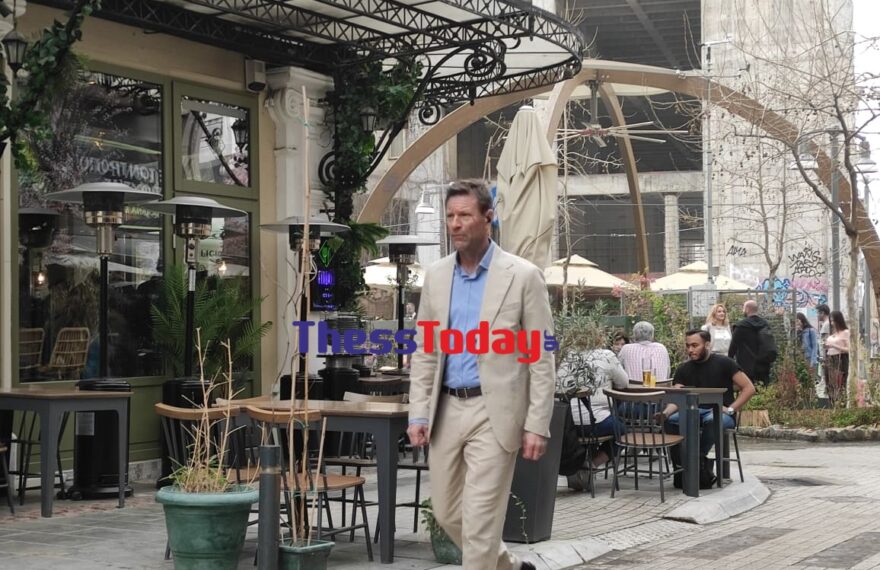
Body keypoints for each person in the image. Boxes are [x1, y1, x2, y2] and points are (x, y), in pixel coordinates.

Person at [407, 179, 554, 570]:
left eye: (464, 215)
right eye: (450, 216)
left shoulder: (523, 276)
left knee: (480, 522)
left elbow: (541, 357)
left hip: (495, 413)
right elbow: (425, 351)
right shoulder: (437, 275)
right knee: (446, 513)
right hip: (445, 410)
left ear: (488, 217)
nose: (455, 224)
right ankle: (510, 567)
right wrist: (418, 413)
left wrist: (537, 424)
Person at [662, 329, 756, 487]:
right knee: (671, 421)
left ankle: (695, 458)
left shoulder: (725, 363)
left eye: (695, 345)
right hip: (691, 411)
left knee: (713, 420)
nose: (690, 349)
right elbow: (677, 398)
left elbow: (749, 388)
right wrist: (664, 414)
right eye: (688, 346)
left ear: (707, 345)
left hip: (720, 413)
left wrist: (731, 409)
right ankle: (686, 464)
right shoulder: (683, 368)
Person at [557, 347, 628, 491]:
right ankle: (592, 463)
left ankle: (581, 464)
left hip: (569, 425)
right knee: (623, 432)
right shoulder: (606, 355)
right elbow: (624, 383)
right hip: (595, 422)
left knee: (605, 427)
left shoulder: (568, 356)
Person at [728, 300, 777, 386]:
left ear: (747, 309)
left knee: (747, 389)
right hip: (763, 364)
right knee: (763, 389)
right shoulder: (765, 324)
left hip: (746, 366)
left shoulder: (741, 326)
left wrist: (729, 363)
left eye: (743, 308)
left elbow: (733, 347)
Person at [825, 310, 850, 405]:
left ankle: (841, 403)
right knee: (830, 383)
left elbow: (848, 349)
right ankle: (832, 403)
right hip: (830, 358)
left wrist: (834, 346)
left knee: (840, 382)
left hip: (840, 358)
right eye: (831, 321)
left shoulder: (845, 332)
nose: (832, 323)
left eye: (833, 321)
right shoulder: (833, 333)